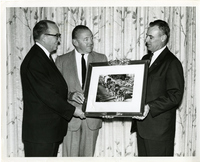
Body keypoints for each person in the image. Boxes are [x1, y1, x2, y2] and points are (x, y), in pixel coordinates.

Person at [20, 20, 85, 157]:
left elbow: (54, 88)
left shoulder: (43, 57)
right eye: (56, 35)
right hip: (40, 135)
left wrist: (69, 95)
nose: (59, 40)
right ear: (44, 37)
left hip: (48, 132)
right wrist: (75, 111)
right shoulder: (35, 60)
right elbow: (48, 96)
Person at [131, 20, 184, 156]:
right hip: (142, 127)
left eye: (151, 37)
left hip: (159, 131)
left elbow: (175, 96)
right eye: (147, 36)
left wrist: (150, 106)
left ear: (163, 38)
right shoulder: (145, 59)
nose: (146, 40)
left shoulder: (172, 62)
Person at [55, 25, 108, 156]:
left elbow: (105, 89)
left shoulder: (102, 58)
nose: (91, 42)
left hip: (92, 120)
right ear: (75, 42)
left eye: (91, 38)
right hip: (70, 119)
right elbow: (55, 90)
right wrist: (70, 95)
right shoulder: (61, 61)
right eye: (86, 39)